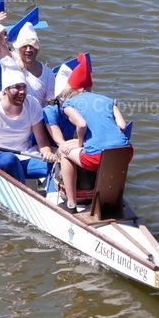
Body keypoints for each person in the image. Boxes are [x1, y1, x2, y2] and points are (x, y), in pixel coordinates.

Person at [55, 54, 132, 214]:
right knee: (108, 156)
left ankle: (71, 204)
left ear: (72, 88)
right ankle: (114, 201)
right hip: (125, 152)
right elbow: (122, 126)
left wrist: (79, 143)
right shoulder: (108, 100)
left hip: (96, 157)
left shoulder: (69, 104)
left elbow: (81, 124)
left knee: (64, 150)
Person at [7, 22, 55, 106]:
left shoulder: (48, 73)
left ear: (37, 50)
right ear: (18, 49)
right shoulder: (13, 68)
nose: (28, 50)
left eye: (32, 46)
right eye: (24, 46)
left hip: (39, 112)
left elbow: (50, 100)